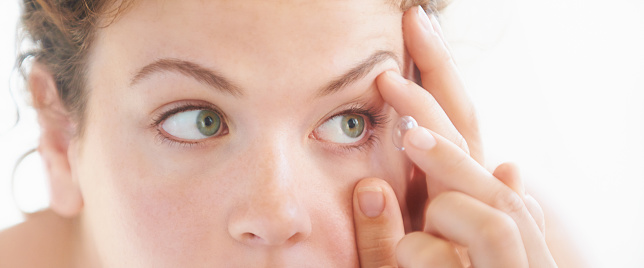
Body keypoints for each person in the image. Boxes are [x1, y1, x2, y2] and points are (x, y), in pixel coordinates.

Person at [0, 0, 576, 266]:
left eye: (351, 123)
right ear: (59, 138)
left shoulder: (508, 247)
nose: (276, 216)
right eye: (198, 121)